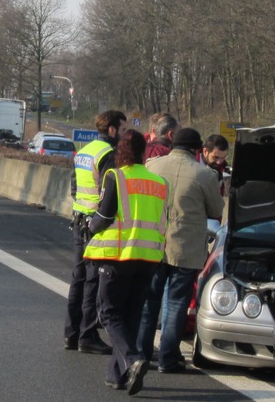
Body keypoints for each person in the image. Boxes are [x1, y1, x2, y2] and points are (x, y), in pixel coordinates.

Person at [85, 129, 167, 395]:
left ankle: (132, 359)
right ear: (144, 153)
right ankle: (117, 375)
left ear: (120, 151)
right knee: (131, 315)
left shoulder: (116, 177)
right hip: (149, 258)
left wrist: (90, 226)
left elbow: (104, 215)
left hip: (119, 256)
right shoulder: (159, 182)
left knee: (108, 312)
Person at [138, 127, 224, 373]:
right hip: (185, 250)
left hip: (153, 245)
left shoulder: (152, 166)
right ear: (197, 149)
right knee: (176, 303)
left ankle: (142, 354)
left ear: (171, 143)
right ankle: (168, 358)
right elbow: (215, 208)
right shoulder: (205, 175)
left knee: (149, 302)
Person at [64, 110, 124, 355]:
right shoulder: (108, 154)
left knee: (78, 278)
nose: (121, 135)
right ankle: (88, 335)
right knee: (91, 280)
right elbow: (108, 193)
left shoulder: (85, 151)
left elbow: (74, 185)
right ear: (112, 129)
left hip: (79, 219)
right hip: (95, 225)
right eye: (121, 129)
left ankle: (71, 333)